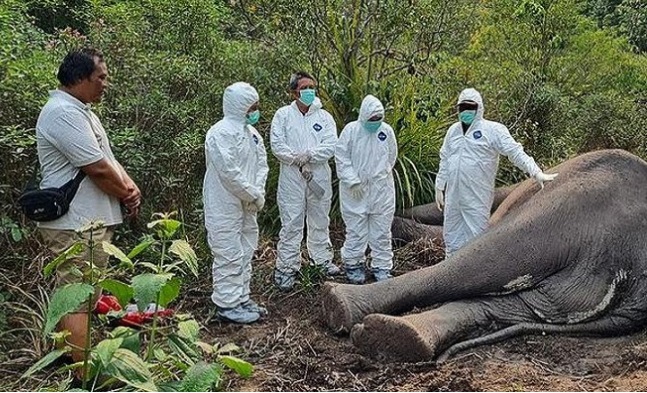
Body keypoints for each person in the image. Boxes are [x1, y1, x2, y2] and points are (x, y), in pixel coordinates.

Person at [36, 48, 141, 364]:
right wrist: (125, 194)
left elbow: (107, 159)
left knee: (86, 293)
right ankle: (83, 373)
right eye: (101, 78)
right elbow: (95, 167)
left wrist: (129, 186)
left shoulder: (82, 112)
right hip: (76, 224)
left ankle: (73, 361)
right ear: (80, 78)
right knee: (79, 298)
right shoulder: (62, 113)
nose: (105, 84)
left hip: (87, 223)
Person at [435, 88, 557, 257]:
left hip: (476, 197)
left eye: (470, 107)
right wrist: (439, 186)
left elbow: (514, 152)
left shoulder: (492, 131)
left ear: (479, 108)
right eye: (462, 107)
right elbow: (445, 158)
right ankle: (449, 276)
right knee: (451, 239)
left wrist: (536, 172)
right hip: (453, 196)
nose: (466, 111)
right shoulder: (453, 131)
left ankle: (475, 279)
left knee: (475, 243)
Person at [203, 82, 269, 324]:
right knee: (228, 252)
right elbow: (228, 172)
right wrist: (252, 193)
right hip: (224, 204)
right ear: (240, 106)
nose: (256, 110)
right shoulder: (219, 133)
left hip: (249, 204)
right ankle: (227, 304)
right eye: (252, 106)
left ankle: (241, 297)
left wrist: (257, 193)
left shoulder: (252, 135)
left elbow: (262, 165)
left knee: (246, 250)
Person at [270, 71, 339, 291]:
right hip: (292, 177)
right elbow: (277, 145)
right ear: (293, 92)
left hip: (318, 174)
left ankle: (322, 261)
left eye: (312, 87)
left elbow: (330, 145)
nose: (309, 91)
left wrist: (310, 156)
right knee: (291, 222)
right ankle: (287, 268)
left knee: (320, 219)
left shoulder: (324, 117)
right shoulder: (282, 116)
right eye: (304, 88)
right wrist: (297, 160)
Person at [335, 95, 398, 284]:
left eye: (378, 119)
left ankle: (382, 266)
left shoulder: (386, 131)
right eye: (372, 119)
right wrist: (352, 181)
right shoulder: (351, 131)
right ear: (363, 116)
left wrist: (381, 175)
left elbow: (391, 156)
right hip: (355, 191)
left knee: (382, 232)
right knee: (356, 230)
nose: (375, 123)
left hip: (381, 190)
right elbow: (341, 157)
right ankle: (353, 264)